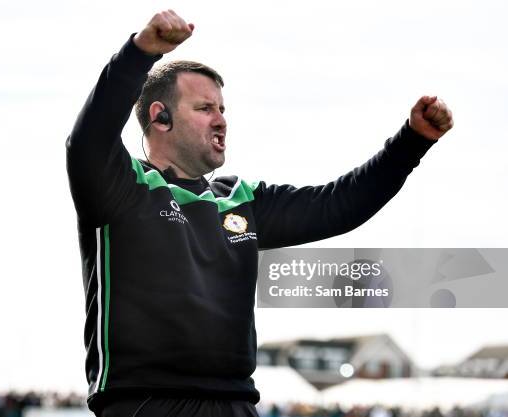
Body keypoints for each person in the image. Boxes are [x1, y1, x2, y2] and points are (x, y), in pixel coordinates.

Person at [65, 10, 453, 417]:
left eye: (223, 109)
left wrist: (412, 142)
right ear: (160, 117)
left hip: (237, 404)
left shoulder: (239, 199)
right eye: (205, 108)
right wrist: (139, 53)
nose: (221, 121)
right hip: (147, 403)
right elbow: (88, 138)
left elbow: (340, 205)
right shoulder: (122, 186)